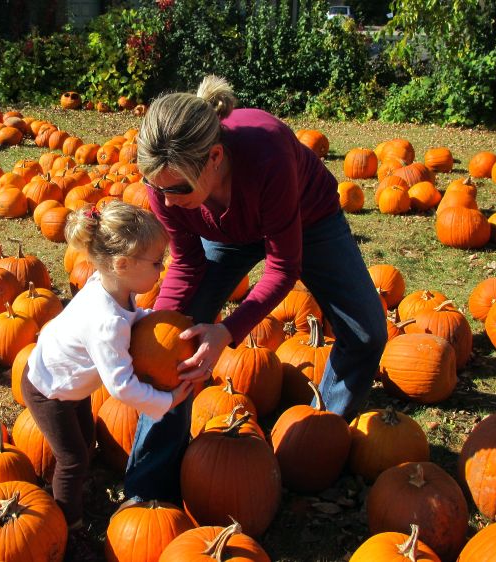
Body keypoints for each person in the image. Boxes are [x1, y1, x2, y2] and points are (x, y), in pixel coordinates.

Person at [124, 75, 387, 503]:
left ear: (213, 157)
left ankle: (317, 437)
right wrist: (160, 328)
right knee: (172, 353)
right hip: (223, 230)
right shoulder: (167, 188)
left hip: (307, 217)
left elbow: (284, 265)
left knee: (366, 333)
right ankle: (149, 485)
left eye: (175, 189)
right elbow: (188, 262)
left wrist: (227, 331)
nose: (166, 202)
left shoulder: (268, 154)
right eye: (157, 188)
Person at [21, 200, 192, 535]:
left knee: (85, 442)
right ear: (123, 263)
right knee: (72, 460)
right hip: (49, 389)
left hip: (71, 384)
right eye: (157, 262)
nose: (163, 267)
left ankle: (81, 484)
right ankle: (69, 524)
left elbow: (131, 320)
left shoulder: (110, 286)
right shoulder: (106, 322)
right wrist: (167, 402)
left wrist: (159, 323)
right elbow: (121, 387)